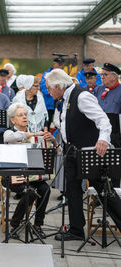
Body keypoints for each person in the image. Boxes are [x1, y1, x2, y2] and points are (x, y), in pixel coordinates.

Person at [45, 68, 121, 241]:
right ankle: (76, 229)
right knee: (72, 190)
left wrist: (103, 140)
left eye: (50, 88)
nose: (49, 92)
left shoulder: (81, 96)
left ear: (58, 86)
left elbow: (103, 120)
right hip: (71, 151)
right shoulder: (64, 98)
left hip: (89, 152)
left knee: (104, 191)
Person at [3, 103, 56, 239]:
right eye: (20, 115)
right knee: (30, 193)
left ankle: (38, 225)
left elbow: (57, 151)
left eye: (25, 114)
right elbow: (9, 139)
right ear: (13, 120)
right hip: (13, 176)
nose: (24, 117)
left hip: (33, 177)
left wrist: (53, 141)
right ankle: (14, 225)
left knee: (45, 190)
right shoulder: (10, 132)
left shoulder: (37, 135)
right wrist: (32, 134)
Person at [93, 63, 121, 187]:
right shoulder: (98, 89)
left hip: (115, 134)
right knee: (98, 166)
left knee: (115, 168)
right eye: (101, 74)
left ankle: (114, 194)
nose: (102, 77)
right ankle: (99, 192)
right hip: (98, 133)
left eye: (105, 74)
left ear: (114, 77)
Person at [40, 56, 65, 127]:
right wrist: (53, 93)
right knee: (47, 122)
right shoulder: (46, 74)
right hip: (49, 103)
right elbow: (43, 87)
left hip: (60, 103)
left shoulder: (63, 74)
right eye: (59, 64)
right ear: (54, 64)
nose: (61, 66)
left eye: (62, 64)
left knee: (60, 122)